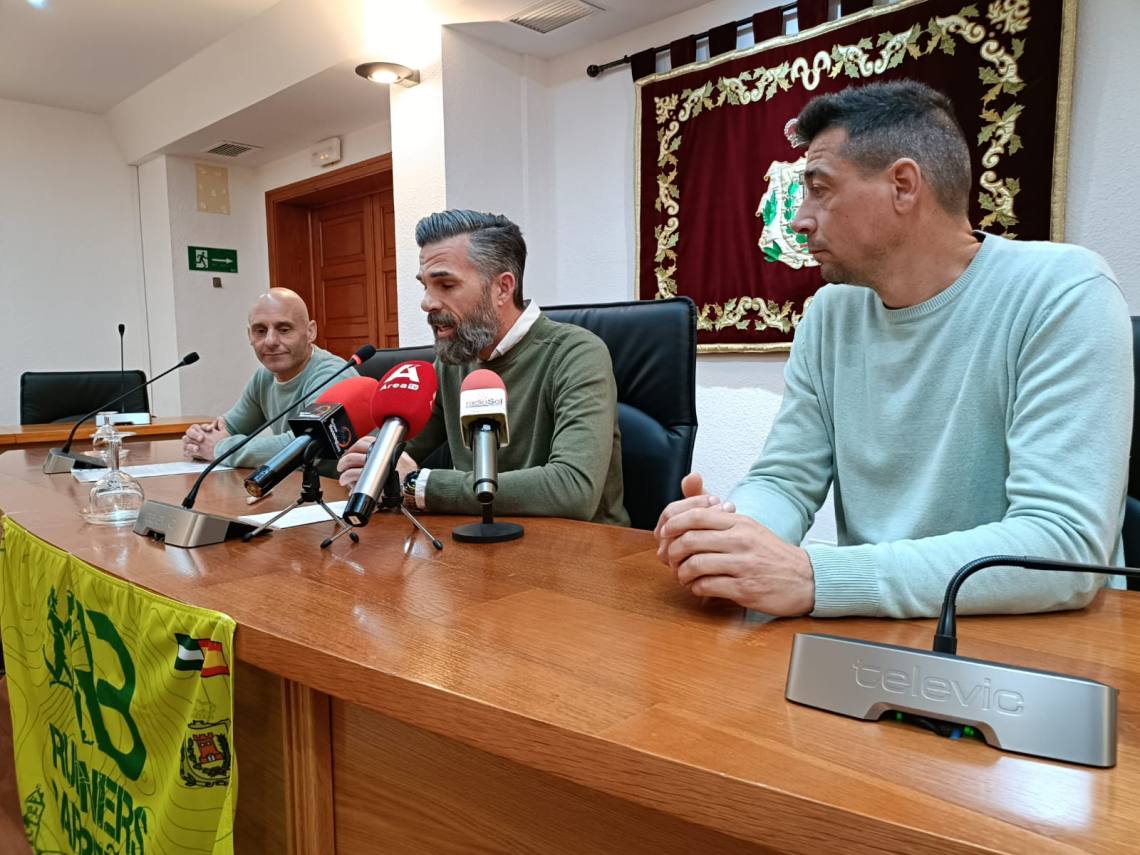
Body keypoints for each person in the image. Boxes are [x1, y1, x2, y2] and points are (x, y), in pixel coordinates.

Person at [655, 80, 1132, 619]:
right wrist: (732, 539)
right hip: (876, 623)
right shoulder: (830, 312)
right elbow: (785, 479)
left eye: (820, 189)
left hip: (1039, 635)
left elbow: (1063, 548)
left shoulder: (1063, 292)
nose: (800, 218)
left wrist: (814, 577)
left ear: (903, 186)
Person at [337, 210, 628, 526]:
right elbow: (401, 452)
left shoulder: (576, 353)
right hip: (476, 540)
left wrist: (419, 485)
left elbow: (573, 489)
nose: (426, 303)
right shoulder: (453, 361)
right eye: (425, 286)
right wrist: (371, 462)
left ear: (502, 288)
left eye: (446, 285)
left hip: (579, 548)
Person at [181, 287, 350, 467]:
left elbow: (306, 444)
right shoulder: (265, 377)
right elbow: (228, 428)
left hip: (335, 484)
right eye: (260, 331)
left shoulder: (333, 375)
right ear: (249, 335)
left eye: (284, 329)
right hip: (294, 482)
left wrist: (219, 449)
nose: (270, 341)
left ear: (310, 332)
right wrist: (199, 439)